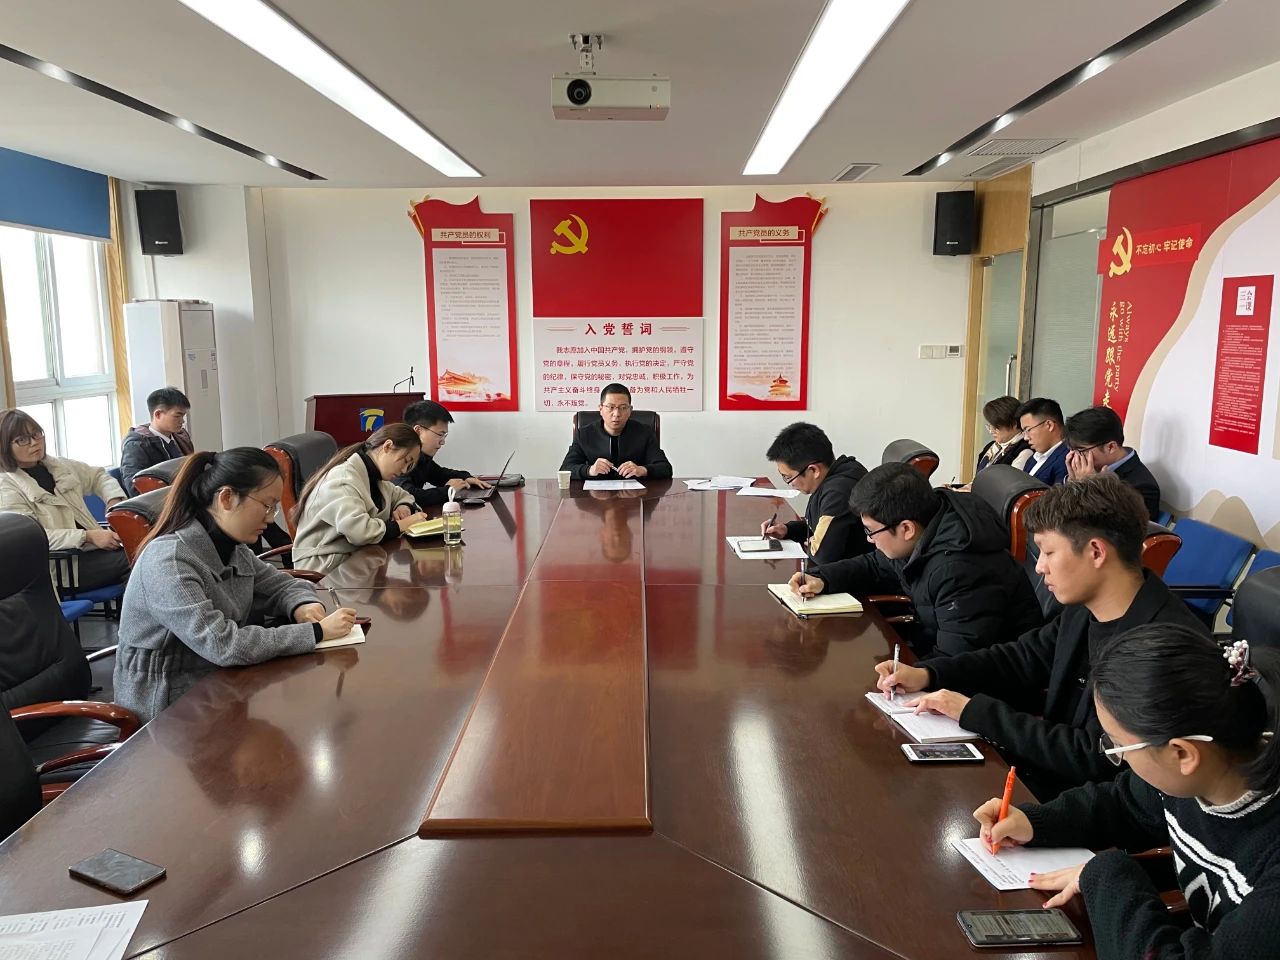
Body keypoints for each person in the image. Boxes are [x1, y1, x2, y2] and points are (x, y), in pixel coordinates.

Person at [877, 474, 1207, 799]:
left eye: (1048, 553)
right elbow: (1021, 657)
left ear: (1096, 552)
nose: (1039, 567)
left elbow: (1095, 757)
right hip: (1048, 778)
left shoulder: (1162, 648)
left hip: (1086, 803)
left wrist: (972, 711)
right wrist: (928, 673)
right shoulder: (1086, 607)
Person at [975, 625, 1280, 959]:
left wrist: (1104, 873)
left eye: (1118, 746)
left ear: (1182, 754)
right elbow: (1123, 803)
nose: (1116, 756)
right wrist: (1036, 822)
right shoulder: (1200, 777)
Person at [113, 448, 358, 722]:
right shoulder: (170, 561)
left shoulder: (232, 548)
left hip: (219, 683)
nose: (271, 518)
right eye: (267, 505)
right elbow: (223, 644)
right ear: (227, 498)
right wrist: (316, 632)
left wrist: (303, 605)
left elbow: (281, 585)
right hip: (167, 709)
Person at [790, 462, 1042, 657]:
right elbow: (876, 565)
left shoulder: (961, 570)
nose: (869, 539)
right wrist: (821, 578)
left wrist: (903, 677)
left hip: (980, 688)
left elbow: (958, 662)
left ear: (906, 529)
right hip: (931, 653)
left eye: (871, 531)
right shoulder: (930, 523)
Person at [0, 409, 128, 591]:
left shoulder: (58, 465)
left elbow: (99, 476)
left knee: (146, 553)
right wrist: (88, 536)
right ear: (4, 446)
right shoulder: (6, 487)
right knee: (140, 558)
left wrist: (113, 501)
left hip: (94, 551)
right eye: (22, 439)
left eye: (36, 434)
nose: (34, 442)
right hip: (61, 568)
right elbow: (32, 537)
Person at [291, 423, 428, 573]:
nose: (404, 470)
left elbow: (403, 495)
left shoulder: (375, 476)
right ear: (387, 446)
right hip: (324, 569)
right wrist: (402, 525)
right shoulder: (343, 480)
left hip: (356, 561)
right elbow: (359, 532)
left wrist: (403, 506)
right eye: (406, 461)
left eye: (409, 466)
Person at [761, 422, 871, 564]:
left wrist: (814, 544)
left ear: (813, 470)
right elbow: (820, 526)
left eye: (788, 477)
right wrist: (788, 530)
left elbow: (822, 555)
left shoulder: (838, 492)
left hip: (854, 574)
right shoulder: (838, 473)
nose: (790, 484)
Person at [1064, 405, 1162, 521]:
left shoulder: (1143, 487)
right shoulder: (1088, 469)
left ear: (1110, 447)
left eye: (1081, 451)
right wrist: (1072, 482)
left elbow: (1103, 526)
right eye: (1072, 450)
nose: (1074, 457)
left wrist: (1088, 487)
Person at [560, 383, 672, 481]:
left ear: (630, 410)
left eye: (623, 408)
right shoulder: (584, 434)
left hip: (635, 495)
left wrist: (642, 470)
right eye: (610, 407)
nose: (617, 414)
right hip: (595, 496)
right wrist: (589, 470)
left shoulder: (644, 433)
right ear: (601, 409)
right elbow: (566, 469)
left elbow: (665, 468)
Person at [396, 399, 491, 509]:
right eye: (440, 434)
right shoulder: (399, 457)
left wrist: (466, 477)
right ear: (418, 431)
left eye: (444, 436)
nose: (442, 442)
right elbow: (408, 495)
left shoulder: (422, 458)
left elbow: (440, 474)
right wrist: (448, 490)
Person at [119, 386, 194, 496]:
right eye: (177, 416)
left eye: (183, 416)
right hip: (163, 501)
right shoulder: (136, 446)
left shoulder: (181, 437)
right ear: (158, 414)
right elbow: (136, 489)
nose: (182, 421)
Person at [1017, 397, 1069, 485]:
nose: (1025, 438)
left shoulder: (1067, 460)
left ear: (1049, 425)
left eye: (1028, 430)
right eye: (1024, 432)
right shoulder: (1032, 459)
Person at [975, 395, 1033, 474]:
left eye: (996, 427)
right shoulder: (991, 446)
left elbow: (1011, 479)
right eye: (989, 426)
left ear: (1014, 424)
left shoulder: (1024, 450)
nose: (991, 431)